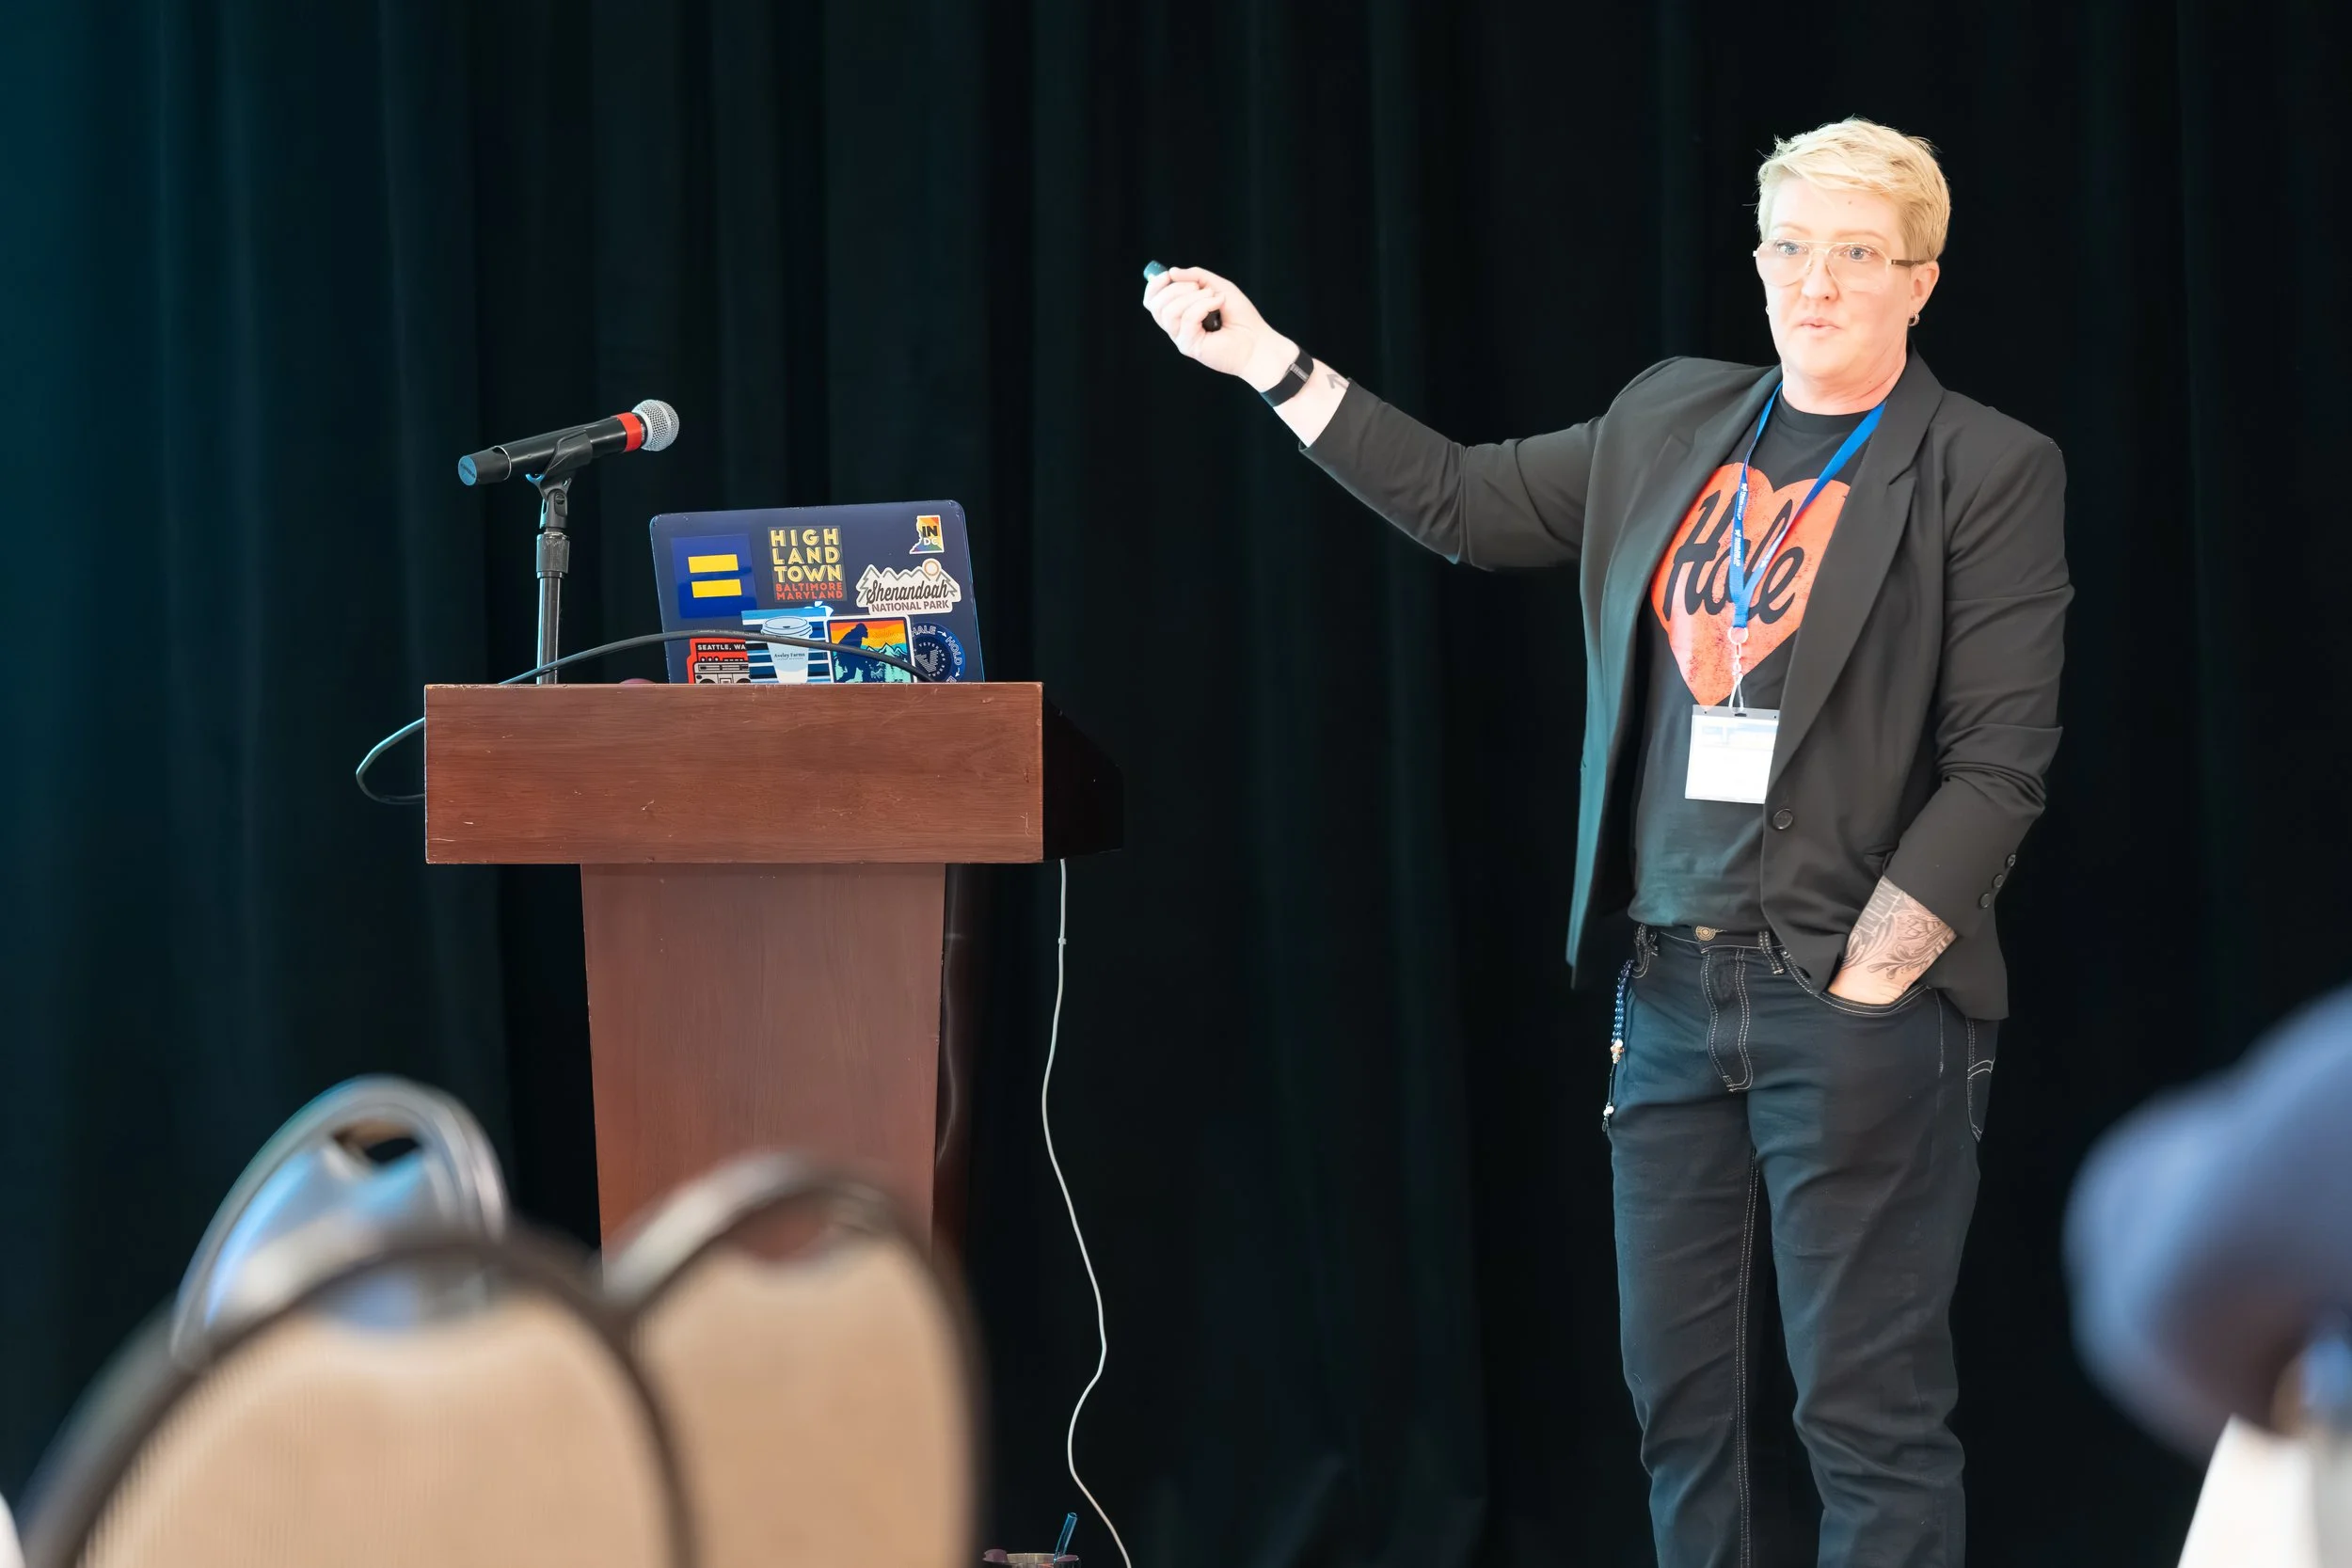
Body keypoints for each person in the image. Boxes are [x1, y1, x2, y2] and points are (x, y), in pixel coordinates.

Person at [1144, 119, 2070, 1566]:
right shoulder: (1671, 420)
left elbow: (2000, 768)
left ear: (1920, 281)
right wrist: (1268, 360)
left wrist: (1870, 980)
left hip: (1857, 1004)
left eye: (1855, 253)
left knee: (1867, 1417)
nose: (1815, 282)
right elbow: (1462, 501)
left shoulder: (1984, 466)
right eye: (1789, 247)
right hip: (1671, 994)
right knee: (1683, 1415)